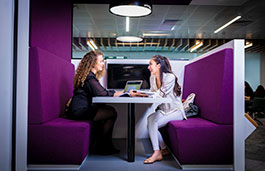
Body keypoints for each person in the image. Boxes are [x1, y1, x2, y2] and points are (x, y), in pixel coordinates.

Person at [66, 50, 124, 155]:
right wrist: (121, 93)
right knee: (111, 112)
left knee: (109, 110)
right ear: (93, 63)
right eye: (101, 61)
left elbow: (101, 92)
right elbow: (102, 93)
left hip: (80, 109)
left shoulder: (89, 76)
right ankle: (103, 146)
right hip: (78, 111)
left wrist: (120, 93)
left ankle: (103, 145)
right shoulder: (89, 77)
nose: (103, 63)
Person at [144, 55, 186, 164]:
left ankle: (157, 152)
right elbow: (152, 93)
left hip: (176, 111)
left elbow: (160, 94)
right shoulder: (152, 78)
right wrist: (142, 95)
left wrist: (148, 95)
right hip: (164, 111)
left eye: (150, 64)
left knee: (154, 124)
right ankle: (164, 148)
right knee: (150, 119)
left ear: (158, 65)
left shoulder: (170, 77)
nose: (148, 67)